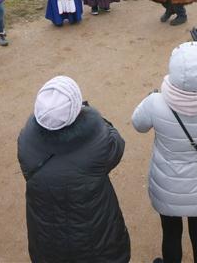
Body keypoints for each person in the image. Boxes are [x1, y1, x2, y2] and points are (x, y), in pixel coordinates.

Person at [132, 41, 197, 263]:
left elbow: (138, 124)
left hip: (166, 186)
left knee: (171, 234)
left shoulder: (156, 103)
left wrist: (150, 97)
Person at [18, 76, 130, 263]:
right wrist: (95, 119)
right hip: (98, 241)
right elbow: (117, 145)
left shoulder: (25, 140)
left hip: (47, 242)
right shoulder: (99, 141)